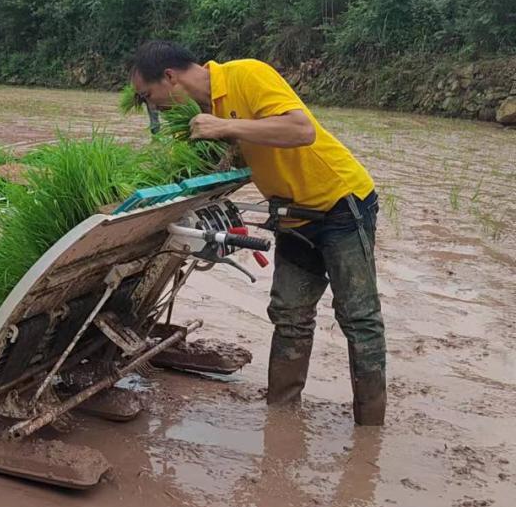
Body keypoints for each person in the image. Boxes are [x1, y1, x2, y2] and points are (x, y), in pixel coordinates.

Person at [129, 40, 386, 425]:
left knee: (357, 315)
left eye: (148, 96)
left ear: (169, 78)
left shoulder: (246, 74)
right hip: (294, 215)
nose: (153, 108)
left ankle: (370, 430)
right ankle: (281, 418)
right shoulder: (201, 113)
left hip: (340, 203)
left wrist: (225, 126)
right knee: (289, 314)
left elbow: (301, 130)